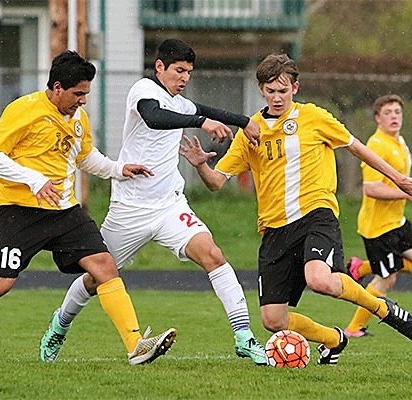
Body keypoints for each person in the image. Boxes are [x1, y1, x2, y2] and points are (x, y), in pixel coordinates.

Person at [0, 50, 177, 366]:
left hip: (65, 211)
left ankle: (136, 345)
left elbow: (84, 158)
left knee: (105, 266)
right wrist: (34, 180)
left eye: (86, 94)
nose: (83, 101)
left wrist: (119, 169)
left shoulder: (78, 118)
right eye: (78, 94)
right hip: (18, 210)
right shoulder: (24, 110)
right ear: (56, 88)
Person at [179, 53, 412, 366]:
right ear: (261, 91)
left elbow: (356, 147)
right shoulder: (250, 131)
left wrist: (399, 178)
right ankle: (334, 339)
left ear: (295, 87)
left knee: (321, 280)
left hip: (315, 214)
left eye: (283, 90)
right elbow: (216, 182)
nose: (277, 97)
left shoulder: (314, 117)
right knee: (273, 319)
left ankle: (382, 308)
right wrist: (201, 165)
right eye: (270, 91)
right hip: (274, 230)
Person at [40, 38, 268, 366]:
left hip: (170, 206)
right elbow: (155, 117)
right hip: (129, 209)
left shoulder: (180, 102)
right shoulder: (143, 91)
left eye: (188, 71)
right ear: (159, 67)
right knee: (95, 278)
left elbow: (204, 110)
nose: (184, 77)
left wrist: (244, 122)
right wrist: (201, 122)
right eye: (178, 70)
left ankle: (244, 337)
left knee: (214, 256)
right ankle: (60, 325)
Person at [344, 94, 412, 338]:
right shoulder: (376, 145)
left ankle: (360, 267)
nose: (394, 117)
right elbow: (370, 188)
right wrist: (408, 195)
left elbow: (404, 181)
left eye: (397, 112)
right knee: (386, 280)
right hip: (378, 227)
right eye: (388, 113)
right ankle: (354, 328)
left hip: (397, 222)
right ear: (377, 118)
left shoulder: (400, 142)